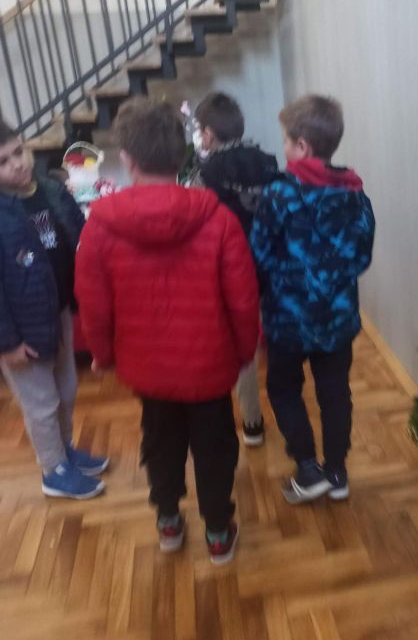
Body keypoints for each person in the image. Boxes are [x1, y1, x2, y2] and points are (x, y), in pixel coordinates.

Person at [75, 98, 259, 563]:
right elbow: (243, 299)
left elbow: (94, 304)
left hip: (147, 366)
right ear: (182, 156)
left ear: (127, 159)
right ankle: (218, 530)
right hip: (209, 364)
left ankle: (169, 521)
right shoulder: (219, 220)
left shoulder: (100, 227)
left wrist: (102, 355)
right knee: (215, 446)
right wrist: (244, 352)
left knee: (160, 441)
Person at [251, 94, 375, 504]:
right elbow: (361, 258)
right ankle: (337, 471)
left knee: (284, 388)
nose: (284, 148)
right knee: (335, 391)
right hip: (337, 319)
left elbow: (259, 256)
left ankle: (307, 467)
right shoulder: (355, 194)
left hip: (287, 321)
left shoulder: (278, 195)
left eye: (287, 141)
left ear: (302, 146)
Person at [0, 119, 108, 499]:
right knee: (42, 402)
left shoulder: (50, 188)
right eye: (3, 162)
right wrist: (7, 343)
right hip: (22, 329)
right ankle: (53, 470)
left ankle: (65, 451)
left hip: (58, 310)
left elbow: (80, 234)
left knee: (66, 388)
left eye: (19, 152)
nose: (17, 163)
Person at [194, 91, 278, 447]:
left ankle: (252, 421)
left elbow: (200, 220)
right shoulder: (268, 161)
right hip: (271, 260)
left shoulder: (208, 171)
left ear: (209, 134)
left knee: (242, 342)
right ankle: (287, 403)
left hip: (231, 266)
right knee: (273, 334)